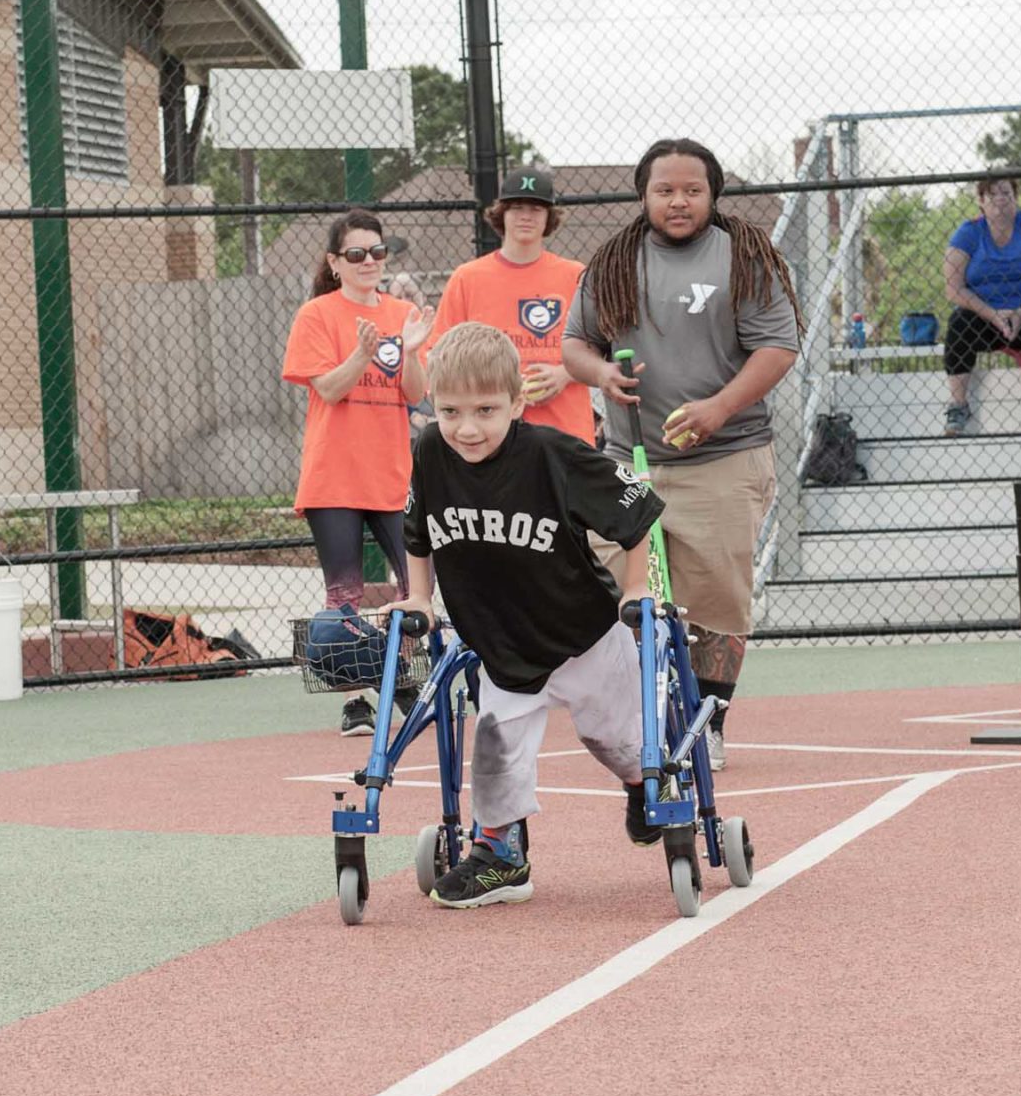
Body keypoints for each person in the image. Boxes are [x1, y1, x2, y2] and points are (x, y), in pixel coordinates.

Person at [389, 324, 661, 908]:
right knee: (496, 748)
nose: (467, 427)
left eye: (486, 410)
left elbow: (635, 509)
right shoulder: (431, 452)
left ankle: (643, 785)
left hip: (583, 634)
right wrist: (418, 598)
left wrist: (636, 587)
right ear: (432, 405)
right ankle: (500, 854)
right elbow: (417, 535)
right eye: (451, 410)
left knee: (616, 740)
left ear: (517, 402)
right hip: (503, 646)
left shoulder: (550, 456)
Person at [562, 137, 801, 772]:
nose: (678, 201)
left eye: (692, 189)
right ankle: (649, 712)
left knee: (716, 598)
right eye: (665, 189)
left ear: (713, 194)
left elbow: (776, 347)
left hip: (724, 455)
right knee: (625, 596)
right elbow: (574, 345)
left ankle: (707, 721)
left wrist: (719, 407)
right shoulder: (612, 263)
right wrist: (601, 377)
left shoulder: (744, 257)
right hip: (627, 459)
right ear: (643, 194)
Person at [283, 208, 431, 737]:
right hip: (335, 477)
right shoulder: (317, 315)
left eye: (377, 252)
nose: (369, 261)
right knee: (342, 596)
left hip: (391, 473)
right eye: (356, 254)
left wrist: (410, 352)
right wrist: (364, 354)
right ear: (335, 262)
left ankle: (403, 681)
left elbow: (414, 393)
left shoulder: (403, 312)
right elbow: (327, 388)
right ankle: (354, 700)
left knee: (413, 589)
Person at [424, 164, 596, 440]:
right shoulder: (468, 278)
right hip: (491, 436)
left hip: (566, 430)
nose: (526, 216)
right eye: (516, 208)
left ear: (548, 217)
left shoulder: (575, 275)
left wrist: (565, 373)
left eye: (536, 209)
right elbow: (438, 357)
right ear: (501, 214)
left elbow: (604, 347)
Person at [939, 175, 1021, 434]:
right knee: (959, 323)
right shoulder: (969, 232)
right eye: (992, 194)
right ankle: (958, 406)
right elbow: (953, 289)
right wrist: (993, 314)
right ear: (980, 201)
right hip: (985, 317)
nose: (1000, 199)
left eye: (1006, 193)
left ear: (1016, 199)